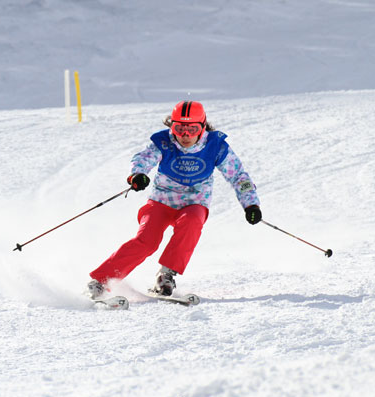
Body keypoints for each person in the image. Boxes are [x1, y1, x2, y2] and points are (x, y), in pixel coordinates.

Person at [87, 100, 262, 298]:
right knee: (147, 241)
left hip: (194, 202)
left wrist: (251, 204)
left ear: (203, 127)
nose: (185, 135)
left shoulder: (216, 146)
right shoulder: (164, 142)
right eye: (179, 129)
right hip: (161, 201)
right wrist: (137, 175)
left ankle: (166, 275)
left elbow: (238, 176)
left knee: (192, 221)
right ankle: (101, 281)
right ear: (172, 127)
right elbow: (142, 158)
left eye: (192, 129)